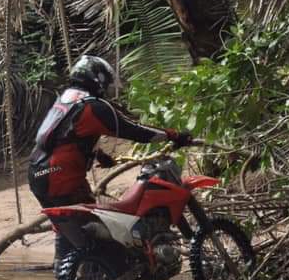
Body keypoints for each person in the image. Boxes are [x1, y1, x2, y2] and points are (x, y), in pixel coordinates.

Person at [27, 55, 192, 269]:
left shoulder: (66, 100)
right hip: (61, 175)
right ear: (99, 80)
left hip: (37, 174)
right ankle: (113, 274)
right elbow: (133, 130)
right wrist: (173, 135)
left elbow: (64, 137)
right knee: (96, 228)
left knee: (68, 227)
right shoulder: (94, 106)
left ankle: (66, 270)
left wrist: (98, 155)